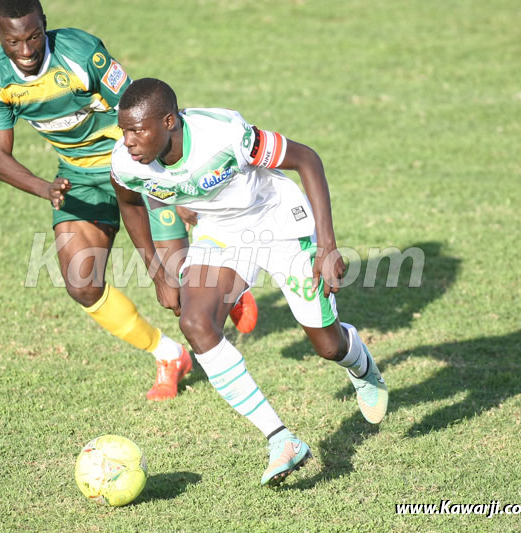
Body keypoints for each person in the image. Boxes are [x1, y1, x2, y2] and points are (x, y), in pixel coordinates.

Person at [110, 78, 388, 487]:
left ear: (169, 121)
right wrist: (158, 274)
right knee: (195, 323)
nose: (128, 141)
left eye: (137, 130)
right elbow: (129, 203)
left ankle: (359, 363)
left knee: (327, 346)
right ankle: (281, 439)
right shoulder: (125, 160)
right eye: (124, 131)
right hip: (222, 233)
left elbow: (307, 160)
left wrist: (327, 246)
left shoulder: (225, 133)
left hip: (277, 220)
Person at [0, 1, 255, 401]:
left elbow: (141, 115)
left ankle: (226, 289)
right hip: (75, 177)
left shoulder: (80, 54)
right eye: (14, 41)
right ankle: (169, 355)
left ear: (45, 26)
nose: (26, 50)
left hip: (133, 162)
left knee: (175, 288)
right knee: (82, 284)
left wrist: (173, 185)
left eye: (34, 36)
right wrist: (46, 188)